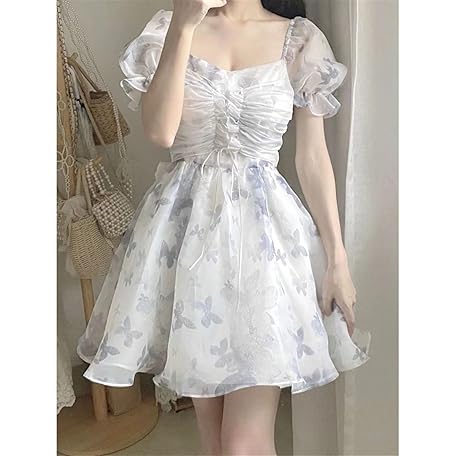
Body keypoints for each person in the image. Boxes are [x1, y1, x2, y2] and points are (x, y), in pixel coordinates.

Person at [77, 1, 370, 454]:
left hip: (265, 247)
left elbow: (313, 159)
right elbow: (160, 132)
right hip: (185, 245)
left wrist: (338, 260)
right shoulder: (170, 28)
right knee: (215, 441)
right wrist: (183, 23)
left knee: (242, 443)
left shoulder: (300, 40)